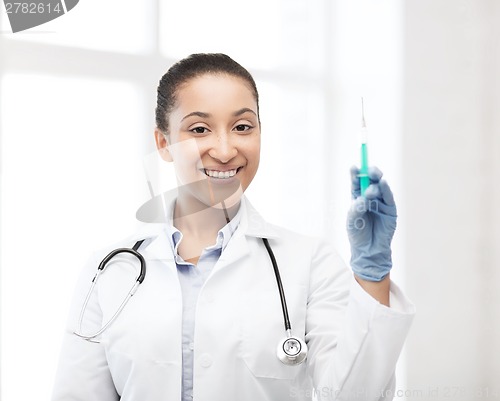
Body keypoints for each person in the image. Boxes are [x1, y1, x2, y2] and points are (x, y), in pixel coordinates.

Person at [51, 53, 415, 401]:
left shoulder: (310, 262)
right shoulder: (110, 270)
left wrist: (372, 273)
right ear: (163, 143)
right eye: (199, 129)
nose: (225, 151)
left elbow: (354, 396)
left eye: (242, 127)